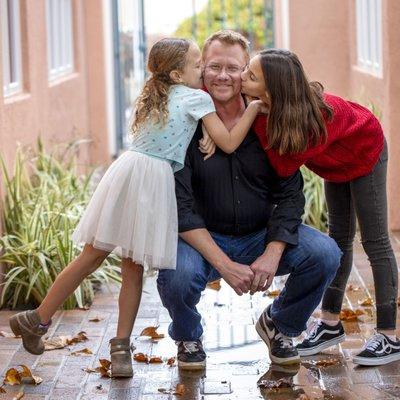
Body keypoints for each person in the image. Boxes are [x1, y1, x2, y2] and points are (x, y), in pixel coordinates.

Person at [8, 38, 264, 378]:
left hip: (127, 173)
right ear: (177, 74)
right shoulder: (198, 97)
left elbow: (183, 130)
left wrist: (203, 132)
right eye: (197, 65)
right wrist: (252, 109)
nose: (203, 71)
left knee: (92, 256)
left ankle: (38, 319)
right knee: (131, 269)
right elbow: (230, 142)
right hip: (151, 183)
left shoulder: (155, 94)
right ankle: (118, 346)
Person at [157, 30, 342, 370]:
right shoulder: (183, 124)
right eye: (213, 66)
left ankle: (280, 325)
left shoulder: (268, 121)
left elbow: (290, 194)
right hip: (202, 240)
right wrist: (224, 266)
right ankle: (187, 336)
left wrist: (273, 253)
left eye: (233, 68)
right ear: (200, 70)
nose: (223, 76)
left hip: (259, 234)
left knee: (325, 253)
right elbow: (179, 207)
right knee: (177, 274)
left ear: (247, 73)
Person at [240, 48, 400, 366]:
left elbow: (283, 167)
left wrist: (255, 115)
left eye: (250, 75)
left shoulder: (310, 121)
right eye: (246, 68)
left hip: (365, 151)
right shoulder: (276, 110)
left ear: (272, 93)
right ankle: (329, 324)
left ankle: (389, 335)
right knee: (337, 238)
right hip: (336, 164)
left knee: (375, 241)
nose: (241, 76)